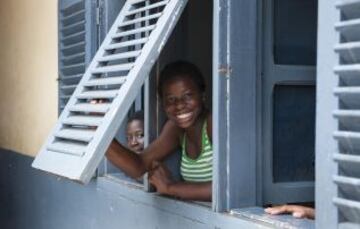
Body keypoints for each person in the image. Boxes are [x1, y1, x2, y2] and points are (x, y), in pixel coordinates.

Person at [106, 61, 212, 201]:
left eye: (187, 96)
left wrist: (170, 187)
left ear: (202, 95)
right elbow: (139, 165)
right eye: (171, 99)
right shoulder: (176, 128)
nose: (179, 105)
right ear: (163, 103)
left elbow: (226, 190)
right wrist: (101, 136)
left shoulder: (213, 124)